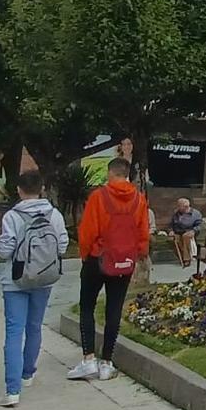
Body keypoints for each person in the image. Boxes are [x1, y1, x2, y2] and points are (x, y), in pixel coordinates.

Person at [67, 158, 149, 382]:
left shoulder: (98, 197)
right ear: (127, 175)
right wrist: (138, 254)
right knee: (114, 310)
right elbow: (143, 232)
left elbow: (87, 231)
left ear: (110, 173)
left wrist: (85, 255)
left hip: (98, 258)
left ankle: (88, 360)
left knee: (87, 307)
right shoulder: (139, 200)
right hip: (125, 261)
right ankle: (107, 363)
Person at [0, 170, 68, 407]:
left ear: (18, 190)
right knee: (35, 327)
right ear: (42, 188)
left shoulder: (11, 216)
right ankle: (28, 373)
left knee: (14, 331)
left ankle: (12, 389)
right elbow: (63, 244)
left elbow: (4, 251)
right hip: (44, 279)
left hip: (15, 281)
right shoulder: (54, 214)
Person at [170, 198, 202, 269]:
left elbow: (199, 225)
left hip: (190, 231)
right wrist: (171, 230)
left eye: (179, 206)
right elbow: (172, 224)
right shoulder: (176, 214)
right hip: (178, 232)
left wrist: (194, 231)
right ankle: (182, 256)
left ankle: (186, 259)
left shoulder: (196, 214)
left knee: (185, 237)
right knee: (175, 240)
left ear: (186, 207)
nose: (178, 207)